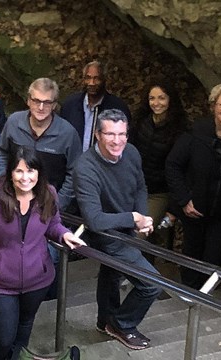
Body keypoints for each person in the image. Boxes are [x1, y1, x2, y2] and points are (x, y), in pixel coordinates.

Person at [0, 146, 85, 360]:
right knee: (3, 337)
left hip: (37, 279)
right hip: (0, 282)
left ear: (39, 172)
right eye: (19, 171)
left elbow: (53, 224)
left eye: (31, 171)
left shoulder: (48, 193)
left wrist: (64, 235)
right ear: (10, 173)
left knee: (23, 332)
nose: (25, 177)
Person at [73, 109, 162, 350]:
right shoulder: (86, 167)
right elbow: (94, 220)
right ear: (97, 135)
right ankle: (122, 323)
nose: (117, 140)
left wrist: (143, 217)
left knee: (112, 274)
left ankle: (106, 320)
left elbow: (140, 187)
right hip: (105, 234)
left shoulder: (130, 152)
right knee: (152, 283)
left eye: (122, 134)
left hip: (125, 226)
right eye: (110, 134)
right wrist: (132, 219)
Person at [166, 83, 221, 289]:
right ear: (213, 106)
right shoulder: (196, 133)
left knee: (214, 258)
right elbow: (173, 165)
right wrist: (184, 199)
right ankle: (187, 295)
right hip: (195, 208)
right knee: (191, 255)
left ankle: (206, 299)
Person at [0, 78, 81, 212]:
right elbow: (1, 152)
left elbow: (75, 173)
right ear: (28, 100)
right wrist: (3, 185)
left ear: (54, 105)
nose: (41, 107)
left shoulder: (68, 134)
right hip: (12, 202)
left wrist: (57, 204)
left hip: (48, 207)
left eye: (47, 102)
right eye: (36, 101)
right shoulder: (13, 123)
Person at [129, 80, 188, 247]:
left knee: (138, 235)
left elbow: (181, 170)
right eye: (152, 98)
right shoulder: (140, 122)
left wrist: (174, 208)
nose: (156, 103)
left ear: (170, 99)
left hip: (159, 193)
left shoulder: (180, 130)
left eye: (161, 98)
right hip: (134, 186)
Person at [60, 61, 132, 152]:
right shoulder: (70, 105)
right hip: (73, 163)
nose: (91, 83)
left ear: (104, 80)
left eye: (96, 78)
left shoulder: (117, 108)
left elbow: (125, 142)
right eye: (88, 78)